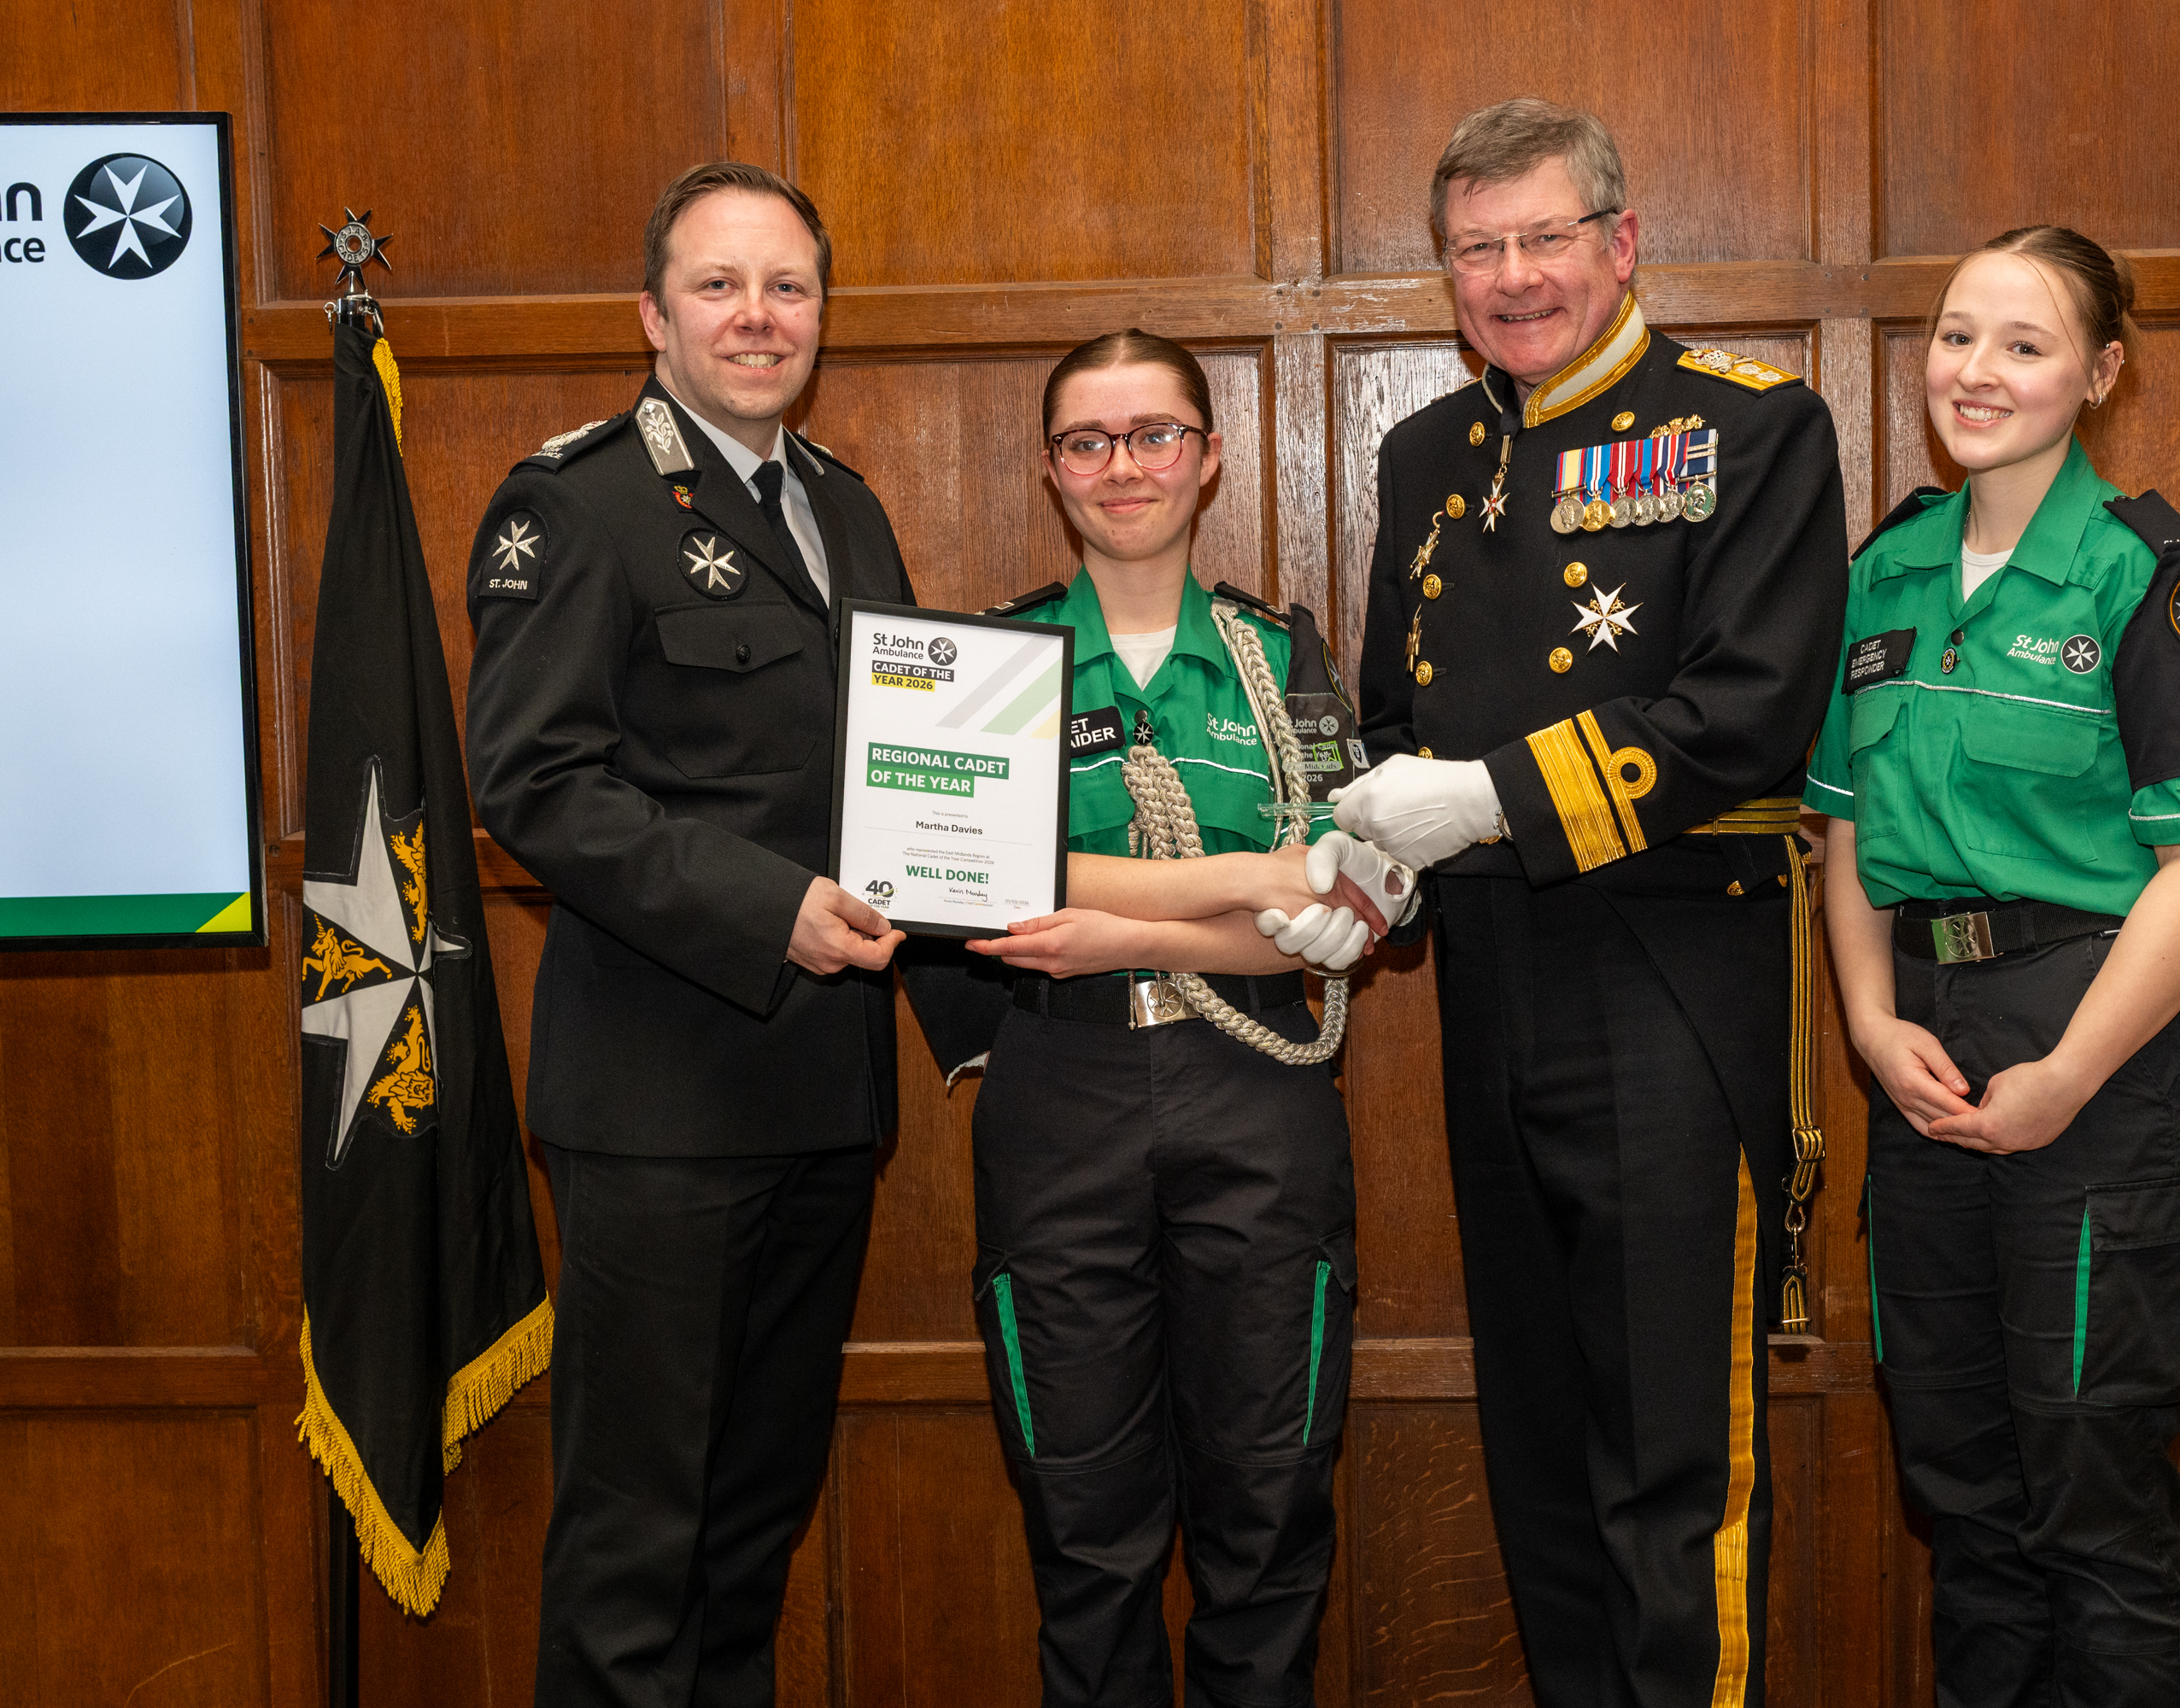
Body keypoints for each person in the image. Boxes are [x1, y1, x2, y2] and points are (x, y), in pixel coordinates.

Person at [1332, 99, 1850, 1706]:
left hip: (1668, 984)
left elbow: (1748, 710)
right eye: (1478, 249)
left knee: (1667, 1462)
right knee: (1540, 1444)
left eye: (1545, 237)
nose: (1513, 278)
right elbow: (1390, 718)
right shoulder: (1426, 455)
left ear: (1622, 243)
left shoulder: (1750, 428)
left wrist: (1483, 798)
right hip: (1490, 989)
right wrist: (1365, 868)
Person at [462, 161, 912, 1707]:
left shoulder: (845, 510)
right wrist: (764, 905)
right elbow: (533, 783)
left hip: (821, 1098)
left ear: (820, 315)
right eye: (719, 286)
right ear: (655, 315)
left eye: (787, 286)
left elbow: (895, 778)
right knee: (638, 1536)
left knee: (750, 1527)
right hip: (659, 1107)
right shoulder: (574, 505)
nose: (757, 315)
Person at [1805, 225, 2180, 1707]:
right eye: (1956, 336)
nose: (1978, 372)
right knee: (1966, 1509)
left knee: (2095, 1514)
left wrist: (2067, 1076)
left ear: (2100, 373)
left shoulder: (2147, 574)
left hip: (2098, 1061)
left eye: (2024, 343)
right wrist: (1871, 1026)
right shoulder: (1884, 572)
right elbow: (1842, 831)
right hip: (1926, 1058)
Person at [951, 328, 1408, 1708]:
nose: (1124, 466)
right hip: (1060, 1100)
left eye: (1156, 435)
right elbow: (969, 869)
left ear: (1209, 459)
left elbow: (1360, 891)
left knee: (1267, 1516)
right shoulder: (985, 664)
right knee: (1086, 1531)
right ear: (1051, 470)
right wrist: (1250, 876)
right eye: (1089, 441)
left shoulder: (1285, 656)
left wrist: (1125, 931)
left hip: (1256, 1093)